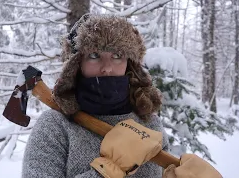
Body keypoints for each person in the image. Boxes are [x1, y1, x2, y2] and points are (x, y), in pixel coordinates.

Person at [22, 14, 222, 178]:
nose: (107, 68)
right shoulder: (54, 127)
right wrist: (105, 172)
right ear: (76, 64)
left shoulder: (150, 125)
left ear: (130, 64)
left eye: (117, 56)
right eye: (94, 55)